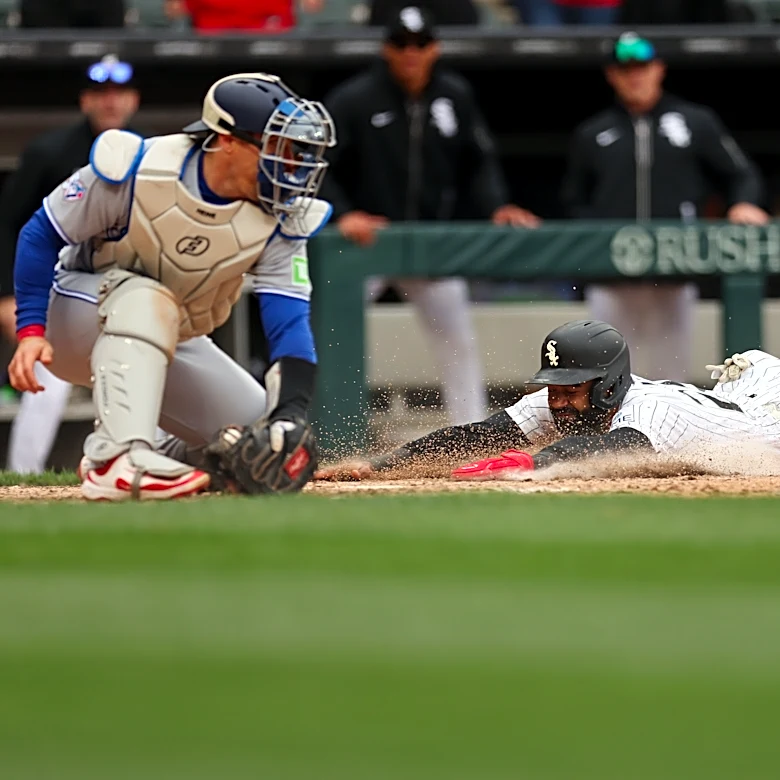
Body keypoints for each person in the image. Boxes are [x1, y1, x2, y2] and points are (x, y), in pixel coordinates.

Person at [8, 72, 336, 500]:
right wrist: (30, 329)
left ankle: (159, 453)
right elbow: (41, 233)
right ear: (228, 141)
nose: (291, 163)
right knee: (143, 294)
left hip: (166, 336)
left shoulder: (281, 218)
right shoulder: (137, 167)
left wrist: (289, 413)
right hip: (74, 315)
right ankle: (116, 460)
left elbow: (289, 324)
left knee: (253, 434)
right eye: (276, 147)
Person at [320, 5, 541, 426]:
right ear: (387, 49)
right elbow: (322, 165)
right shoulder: (355, 98)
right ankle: (315, 429)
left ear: (434, 48)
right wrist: (344, 215)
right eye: (402, 44)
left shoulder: (453, 95)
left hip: (429, 241)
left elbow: (479, 161)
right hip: (368, 240)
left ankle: (469, 433)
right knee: (330, 332)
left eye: (420, 45)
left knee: (457, 341)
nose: (411, 53)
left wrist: (497, 205)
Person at [315, 320, 780, 482]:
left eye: (571, 387)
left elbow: (608, 450)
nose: (557, 401)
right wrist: (379, 464)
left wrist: (532, 462)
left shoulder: (651, 410)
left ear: (608, 384)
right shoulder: (564, 401)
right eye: (554, 386)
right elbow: (480, 435)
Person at [562, 32, 768, 382]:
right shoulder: (593, 132)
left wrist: (744, 203)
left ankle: (665, 436)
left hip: (675, 269)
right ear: (611, 75)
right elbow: (572, 200)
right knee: (603, 374)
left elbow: (741, 173)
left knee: (670, 375)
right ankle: (608, 437)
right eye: (625, 69)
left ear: (659, 69)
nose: (634, 76)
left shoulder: (694, 120)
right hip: (612, 274)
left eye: (642, 67)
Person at [0, 54, 141, 474]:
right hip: (58, 284)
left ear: (133, 100)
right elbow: (11, 224)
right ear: (85, 101)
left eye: (118, 94)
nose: (110, 103)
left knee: (139, 376)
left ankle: (137, 463)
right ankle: (24, 475)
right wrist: (9, 296)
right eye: (100, 94)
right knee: (49, 381)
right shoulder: (49, 151)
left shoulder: (153, 151)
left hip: (127, 280)